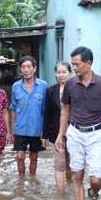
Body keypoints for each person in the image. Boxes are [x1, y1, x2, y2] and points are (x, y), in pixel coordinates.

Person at [55, 46, 101, 200]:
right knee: (77, 175)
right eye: (72, 64)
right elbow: (65, 110)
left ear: (88, 63)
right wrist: (60, 135)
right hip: (75, 132)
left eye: (77, 64)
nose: (74, 68)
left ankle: (94, 191)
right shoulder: (70, 83)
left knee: (95, 179)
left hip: (97, 133)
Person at [9, 56, 47, 176]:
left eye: (29, 67)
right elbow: (14, 108)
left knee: (34, 156)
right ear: (20, 69)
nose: (26, 70)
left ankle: (32, 180)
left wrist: (44, 131)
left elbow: (45, 110)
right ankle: (21, 181)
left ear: (34, 68)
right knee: (20, 156)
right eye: (23, 67)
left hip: (36, 128)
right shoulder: (16, 86)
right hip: (20, 127)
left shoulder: (43, 85)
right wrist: (12, 129)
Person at [42, 61, 73, 193]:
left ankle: (71, 186)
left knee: (71, 164)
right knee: (59, 164)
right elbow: (47, 113)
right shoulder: (50, 90)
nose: (61, 75)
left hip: (74, 132)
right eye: (58, 72)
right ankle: (61, 192)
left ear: (70, 73)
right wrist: (44, 136)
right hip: (56, 132)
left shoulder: (76, 88)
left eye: (64, 72)